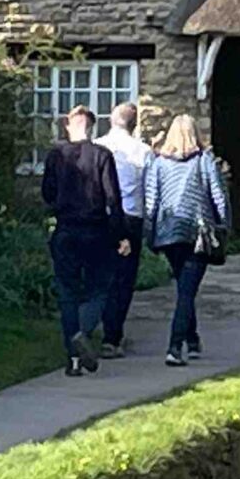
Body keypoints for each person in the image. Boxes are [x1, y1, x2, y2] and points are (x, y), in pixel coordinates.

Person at [39, 105, 130, 377]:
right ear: (92, 127)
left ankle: (74, 359)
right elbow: (113, 198)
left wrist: (57, 209)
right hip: (96, 231)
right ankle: (82, 332)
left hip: (66, 230)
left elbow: (47, 193)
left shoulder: (56, 156)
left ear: (68, 125)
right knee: (99, 289)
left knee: (68, 293)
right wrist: (122, 234)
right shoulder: (102, 155)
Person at [139, 114, 232, 367]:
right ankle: (174, 346)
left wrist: (149, 233)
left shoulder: (158, 164)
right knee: (187, 292)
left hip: (168, 232)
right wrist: (224, 227)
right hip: (197, 232)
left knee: (184, 286)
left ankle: (192, 340)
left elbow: (151, 201)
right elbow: (219, 197)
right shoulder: (204, 161)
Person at [95, 101, 152, 356]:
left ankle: (95, 328)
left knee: (101, 272)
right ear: (134, 124)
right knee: (124, 277)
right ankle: (112, 336)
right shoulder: (142, 151)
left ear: (110, 120)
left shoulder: (98, 147)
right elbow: (149, 189)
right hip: (130, 217)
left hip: (102, 217)